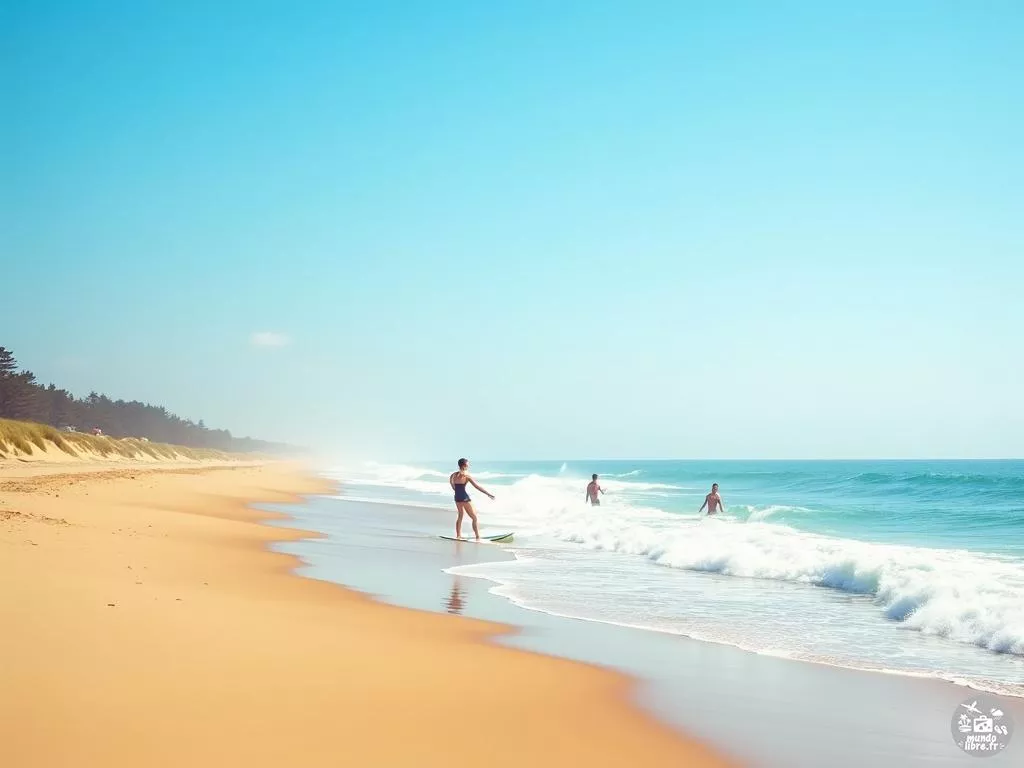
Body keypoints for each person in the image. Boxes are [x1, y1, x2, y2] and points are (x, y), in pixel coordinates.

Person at [449, 458, 495, 540]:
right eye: (467, 465)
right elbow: (477, 487)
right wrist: (488, 494)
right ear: (464, 465)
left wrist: (458, 492)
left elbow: (453, 487)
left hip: (457, 498)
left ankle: (458, 535)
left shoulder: (453, 475)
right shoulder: (466, 476)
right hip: (464, 498)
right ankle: (477, 536)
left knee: (460, 516)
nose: (468, 466)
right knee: (474, 518)